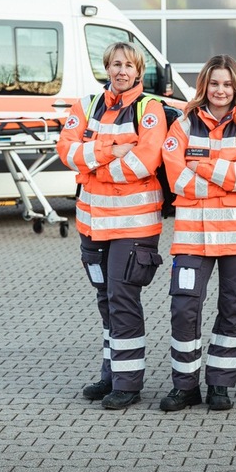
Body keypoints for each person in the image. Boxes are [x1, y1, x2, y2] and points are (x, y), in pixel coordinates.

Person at [57, 42, 167, 410]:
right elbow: (66, 151)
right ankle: (111, 374)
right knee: (106, 301)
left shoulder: (149, 109)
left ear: (139, 71)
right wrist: (111, 150)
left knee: (122, 298)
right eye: (115, 64)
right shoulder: (86, 106)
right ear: (106, 68)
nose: (122, 71)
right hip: (92, 226)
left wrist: (92, 166)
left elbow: (144, 161)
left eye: (129, 65)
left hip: (133, 227)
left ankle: (128, 383)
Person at [159, 55, 236, 412]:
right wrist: (222, 177)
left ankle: (219, 385)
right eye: (214, 83)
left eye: (227, 84)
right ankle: (185, 386)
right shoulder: (184, 125)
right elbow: (176, 179)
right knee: (184, 309)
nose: (220, 91)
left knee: (231, 309)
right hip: (193, 237)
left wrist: (200, 165)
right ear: (204, 85)